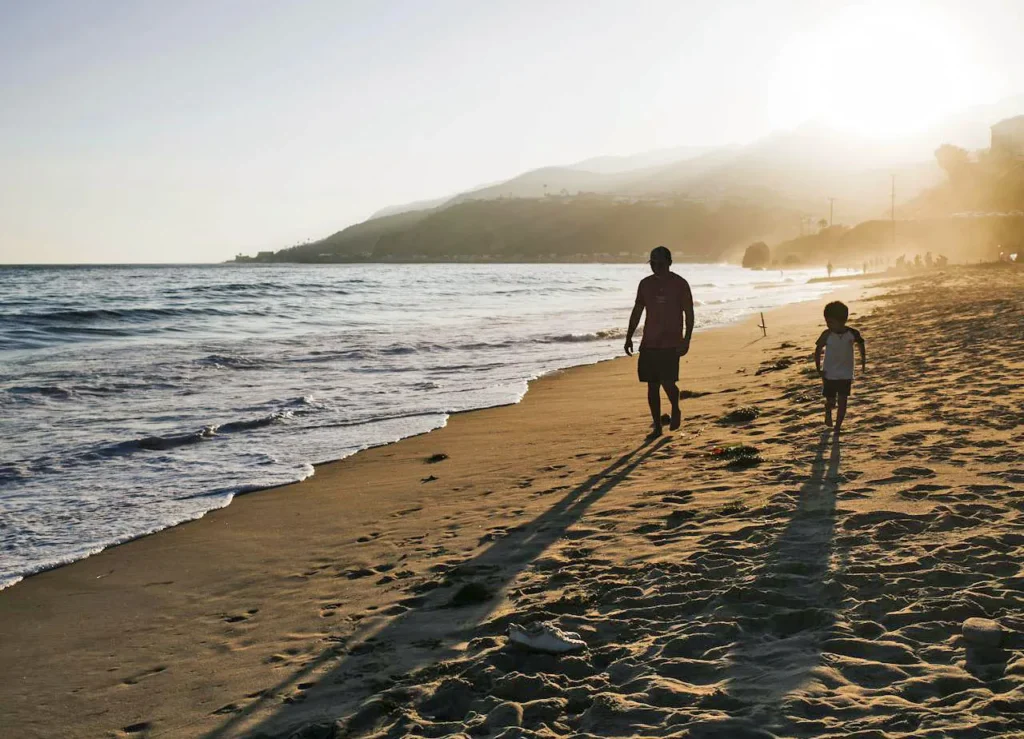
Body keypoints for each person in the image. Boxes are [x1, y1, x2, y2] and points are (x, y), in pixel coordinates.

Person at [624, 246, 694, 437]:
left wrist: (687, 340)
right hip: (649, 342)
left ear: (669, 263)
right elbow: (637, 311)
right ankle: (657, 426)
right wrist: (629, 336)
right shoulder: (645, 284)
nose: (656, 267)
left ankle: (676, 408)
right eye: (653, 263)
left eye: (660, 263)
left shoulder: (680, 284)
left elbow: (689, 313)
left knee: (668, 382)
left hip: (671, 342)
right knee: (652, 385)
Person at [814, 301, 866, 435]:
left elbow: (861, 345)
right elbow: (818, 349)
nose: (828, 325)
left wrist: (863, 363)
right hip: (829, 373)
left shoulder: (852, 333)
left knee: (843, 402)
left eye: (830, 322)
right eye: (827, 322)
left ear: (842, 321)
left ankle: (838, 427)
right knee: (831, 402)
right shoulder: (826, 334)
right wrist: (818, 368)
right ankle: (828, 410)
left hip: (845, 374)